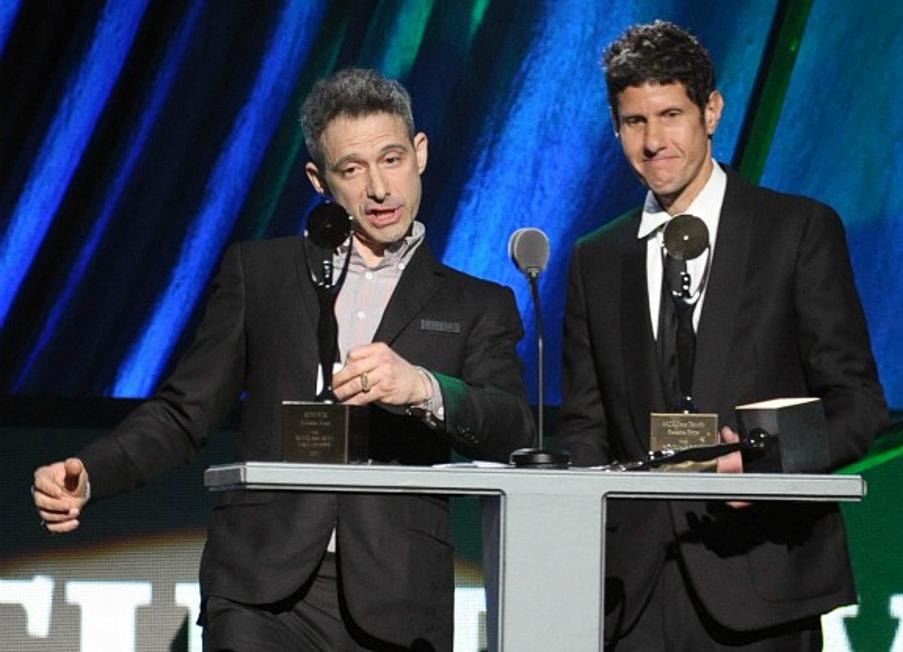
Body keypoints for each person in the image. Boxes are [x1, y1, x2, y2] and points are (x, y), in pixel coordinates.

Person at [31, 68, 536, 651]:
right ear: (318, 179)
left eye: (392, 159)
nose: (378, 188)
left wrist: (422, 386)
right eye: (352, 169)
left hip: (397, 592)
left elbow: (512, 428)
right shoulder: (262, 273)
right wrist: (93, 473)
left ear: (419, 153)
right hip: (259, 587)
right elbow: (185, 411)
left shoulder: (476, 303)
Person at [557, 21, 888, 650]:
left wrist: (764, 466)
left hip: (762, 577)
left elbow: (858, 404)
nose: (654, 142)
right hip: (633, 591)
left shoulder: (796, 231)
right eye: (634, 122)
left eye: (671, 114)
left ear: (711, 111)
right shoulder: (596, 259)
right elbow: (585, 423)